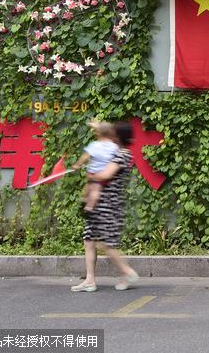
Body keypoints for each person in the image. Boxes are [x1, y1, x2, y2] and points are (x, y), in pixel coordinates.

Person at [71, 120, 139, 292]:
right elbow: (104, 134)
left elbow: (105, 174)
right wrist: (96, 126)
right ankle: (90, 280)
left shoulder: (120, 155)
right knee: (89, 240)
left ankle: (127, 271)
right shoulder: (118, 151)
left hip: (108, 204)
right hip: (99, 203)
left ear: (118, 136)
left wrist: (90, 175)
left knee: (107, 244)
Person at [72, 120, 119, 212]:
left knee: (92, 188)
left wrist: (77, 165)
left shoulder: (95, 145)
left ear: (98, 134)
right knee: (94, 188)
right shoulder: (114, 146)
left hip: (93, 173)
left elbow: (85, 156)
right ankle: (86, 201)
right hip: (105, 173)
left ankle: (89, 206)